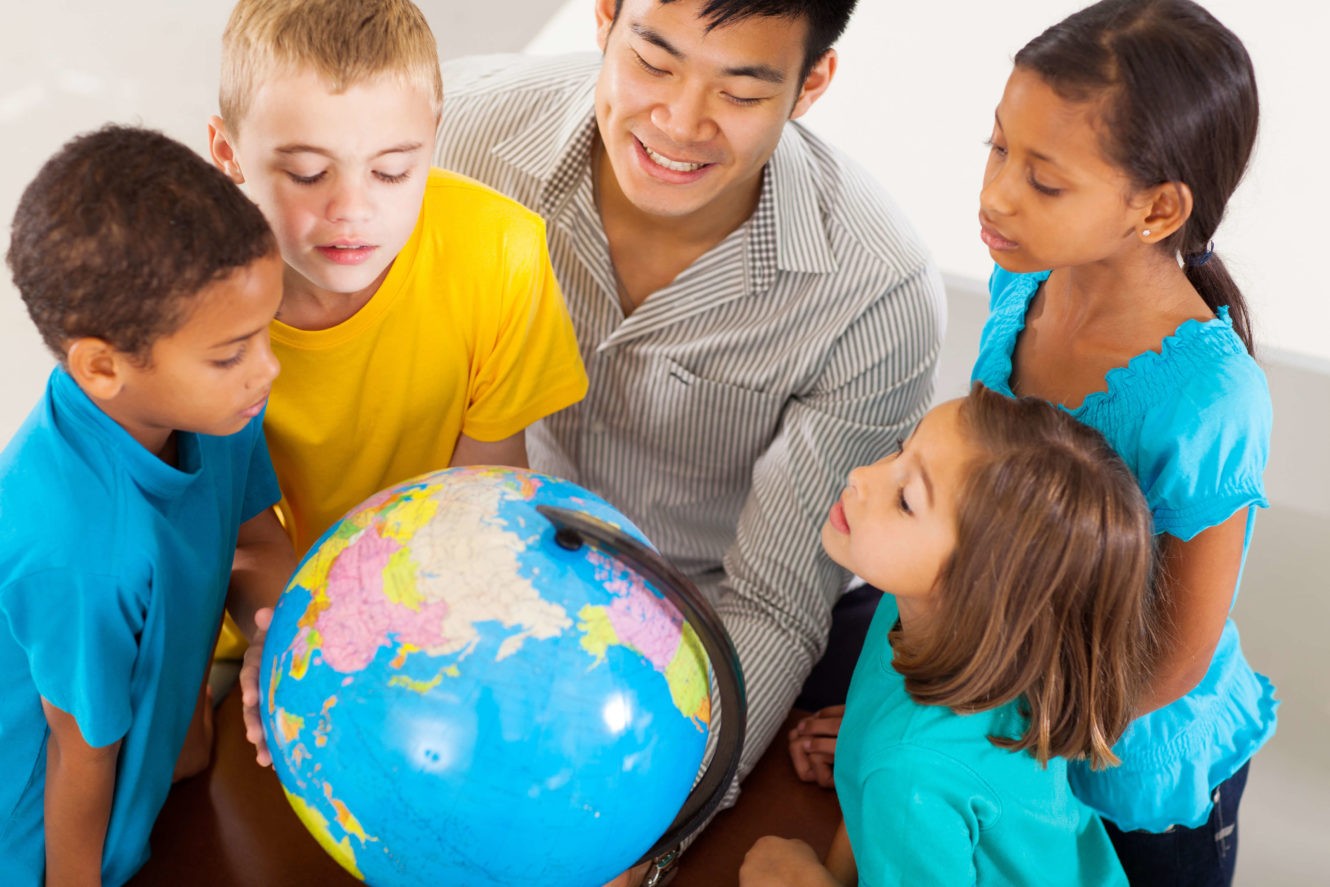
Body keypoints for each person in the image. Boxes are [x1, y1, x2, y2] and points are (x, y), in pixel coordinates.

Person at [434, 0, 945, 859]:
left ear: (810, 84)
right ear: (605, 18)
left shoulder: (875, 291)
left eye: (741, 92)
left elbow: (775, 603)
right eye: (655, 61)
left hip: (702, 621)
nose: (679, 123)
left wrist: (648, 838)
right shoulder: (453, 136)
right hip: (484, 573)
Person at [966, 1, 1273, 883]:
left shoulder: (1207, 399)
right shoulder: (1022, 279)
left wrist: (994, 732)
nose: (996, 194)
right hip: (1018, 712)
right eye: (996, 149)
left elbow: (1173, 655)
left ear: (1157, 209)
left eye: (1045, 180)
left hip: (1125, 765)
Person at [205, 0, 589, 657]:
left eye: (391, 171)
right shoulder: (188, 298)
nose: (351, 210)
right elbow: (232, 538)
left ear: (433, 139)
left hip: (432, 607)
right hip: (252, 627)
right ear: (227, 153)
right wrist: (297, 646)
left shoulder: (499, 254)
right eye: (307, 173)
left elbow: (477, 501)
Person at [0, 125, 294, 885]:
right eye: (232, 353)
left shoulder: (212, 408)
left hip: (161, 759)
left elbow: (254, 541)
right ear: (103, 367)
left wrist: (282, 641)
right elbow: (79, 755)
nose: (267, 369)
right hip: (50, 842)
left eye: (264, 333)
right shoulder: (77, 546)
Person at [739, 385, 1155, 885]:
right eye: (899, 451)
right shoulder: (914, 613)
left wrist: (799, 880)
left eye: (905, 500)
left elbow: (914, 773)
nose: (860, 475)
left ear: (980, 592)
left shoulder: (912, 775)